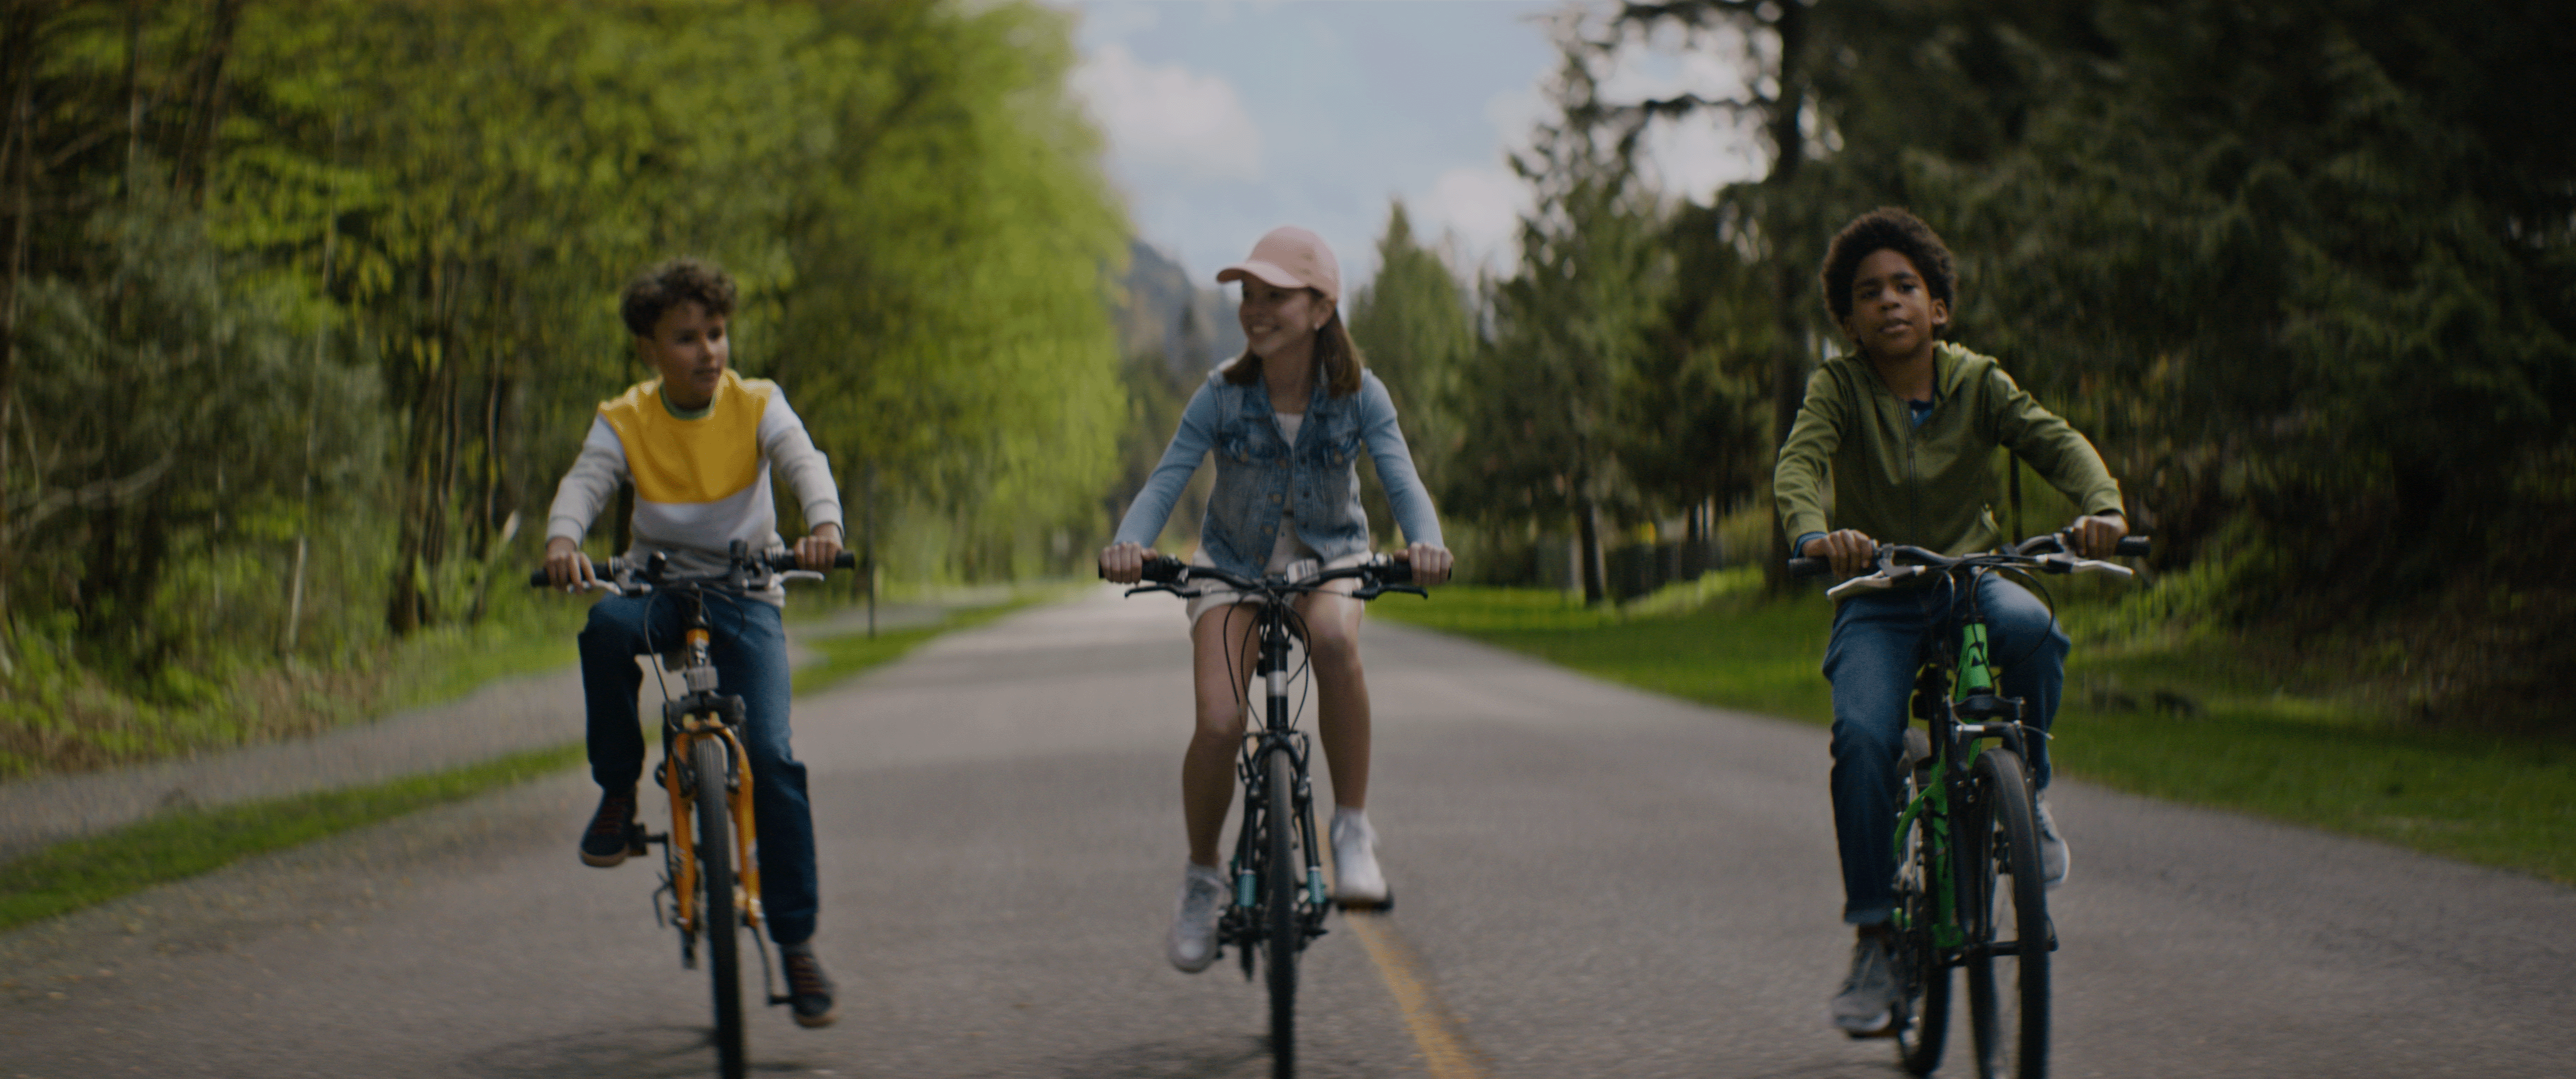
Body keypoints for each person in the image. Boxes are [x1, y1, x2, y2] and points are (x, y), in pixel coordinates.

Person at [1773, 208, 2128, 1036]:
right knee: (1863, 737)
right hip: (1879, 596)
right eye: (1869, 293)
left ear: (1938, 307)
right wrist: (1817, 536)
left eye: (1907, 286)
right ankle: (1873, 936)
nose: (1890, 302)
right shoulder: (1838, 388)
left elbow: (2057, 442)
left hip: (1970, 582)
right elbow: (1798, 466)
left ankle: (2026, 794)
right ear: (1850, 319)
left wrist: (2101, 507)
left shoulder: (1979, 381)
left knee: (2037, 632)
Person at [1099, 226, 1454, 973]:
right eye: (1247, 296)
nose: (1254, 310)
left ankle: (1352, 830)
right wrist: (1130, 544)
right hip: (1230, 566)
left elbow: (1402, 479)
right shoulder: (1221, 395)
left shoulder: (1361, 395)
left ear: (1321, 308)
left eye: (1275, 297)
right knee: (1222, 721)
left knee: (1332, 642)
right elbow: (1168, 477)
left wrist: (1425, 543)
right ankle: (1202, 877)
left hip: (1330, 560)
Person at [541, 257, 845, 1027]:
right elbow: (585, 482)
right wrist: (562, 540)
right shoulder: (626, 417)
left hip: (745, 595)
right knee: (604, 632)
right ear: (649, 349)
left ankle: (798, 943)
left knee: (772, 759)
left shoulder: (757, 402)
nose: (708, 350)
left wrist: (823, 527)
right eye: (686, 338)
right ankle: (616, 790)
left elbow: (802, 461)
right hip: (657, 589)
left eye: (716, 333)